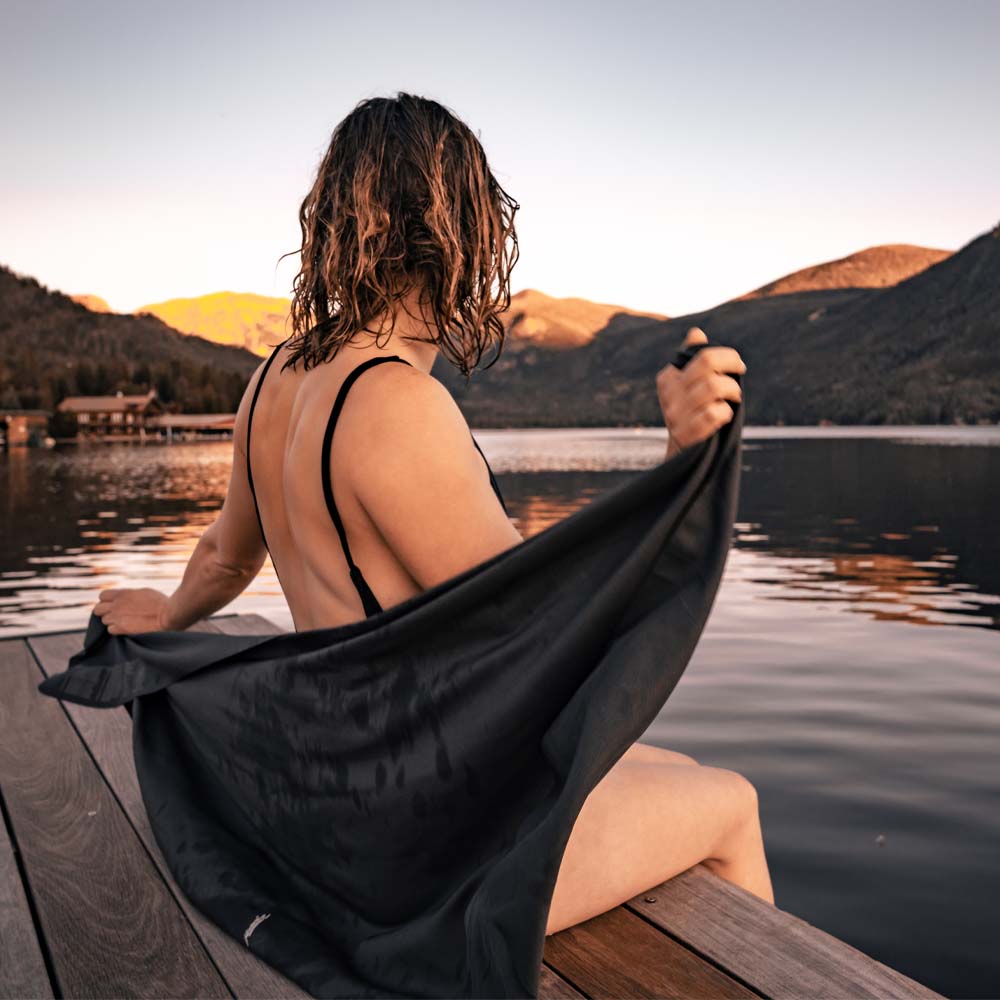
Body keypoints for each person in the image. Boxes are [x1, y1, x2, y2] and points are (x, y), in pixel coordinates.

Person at [92, 92, 774, 936]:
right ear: (461, 231)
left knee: (670, 766)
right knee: (731, 805)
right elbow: (547, 640)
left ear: (340, 218)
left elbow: (229, 557)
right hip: (415, 845)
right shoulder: (397, 405)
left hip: (332, 794)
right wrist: (682, 465)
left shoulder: (272, 377)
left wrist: (167, 612)